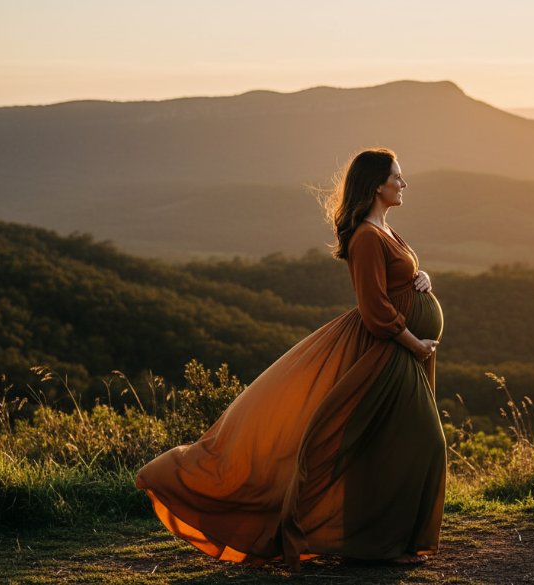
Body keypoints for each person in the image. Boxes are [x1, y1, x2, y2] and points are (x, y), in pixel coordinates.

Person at [135, 147, 446, 569]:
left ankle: (379, 545)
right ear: (376, 185)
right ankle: (376, 544)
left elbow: (397, 279)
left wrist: (419, 276)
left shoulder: (385, 230)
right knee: (422, 440)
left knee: (386, 443)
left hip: (403, 351)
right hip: (386, 352)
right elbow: (373, 309)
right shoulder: (366, 237)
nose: (404, 184)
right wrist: (413, 342)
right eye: (397, 177)